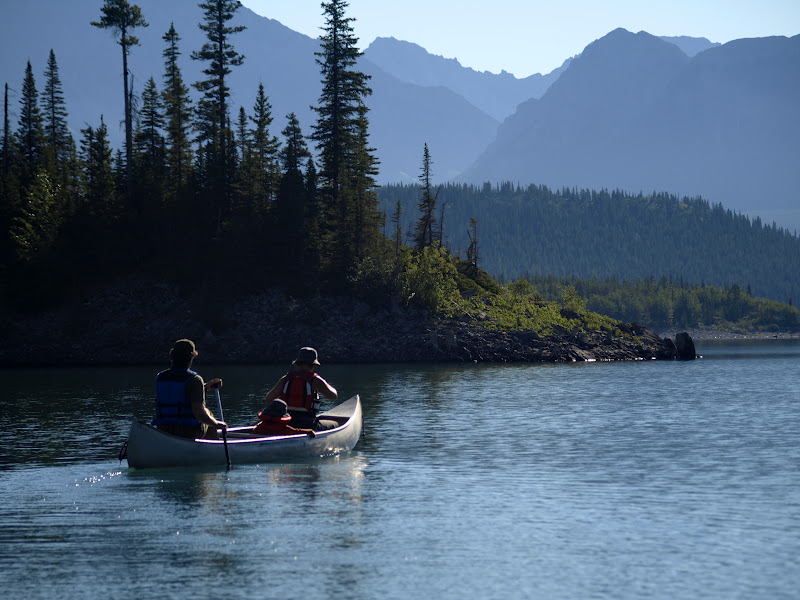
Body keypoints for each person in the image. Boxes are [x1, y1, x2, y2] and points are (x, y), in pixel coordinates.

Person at [152, 339, 227, 439]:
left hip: (163, 430)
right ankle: (212, 446)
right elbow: (199, 413)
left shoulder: (160, 377)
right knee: (208, 416)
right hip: (187, 432)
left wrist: (205, 387)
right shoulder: (195, 380)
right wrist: (217, 424)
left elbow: (177, 394)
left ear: (172, 355)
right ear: (191, 357)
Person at [263, 346, 338, 429]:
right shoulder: (315, 380)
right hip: (307, 423)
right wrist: (323, 385)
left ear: (298, 363)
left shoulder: (286, 378)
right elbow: (333, 396)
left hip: (287, 422)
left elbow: (269, 399)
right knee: (335, 424)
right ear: (313, 365)